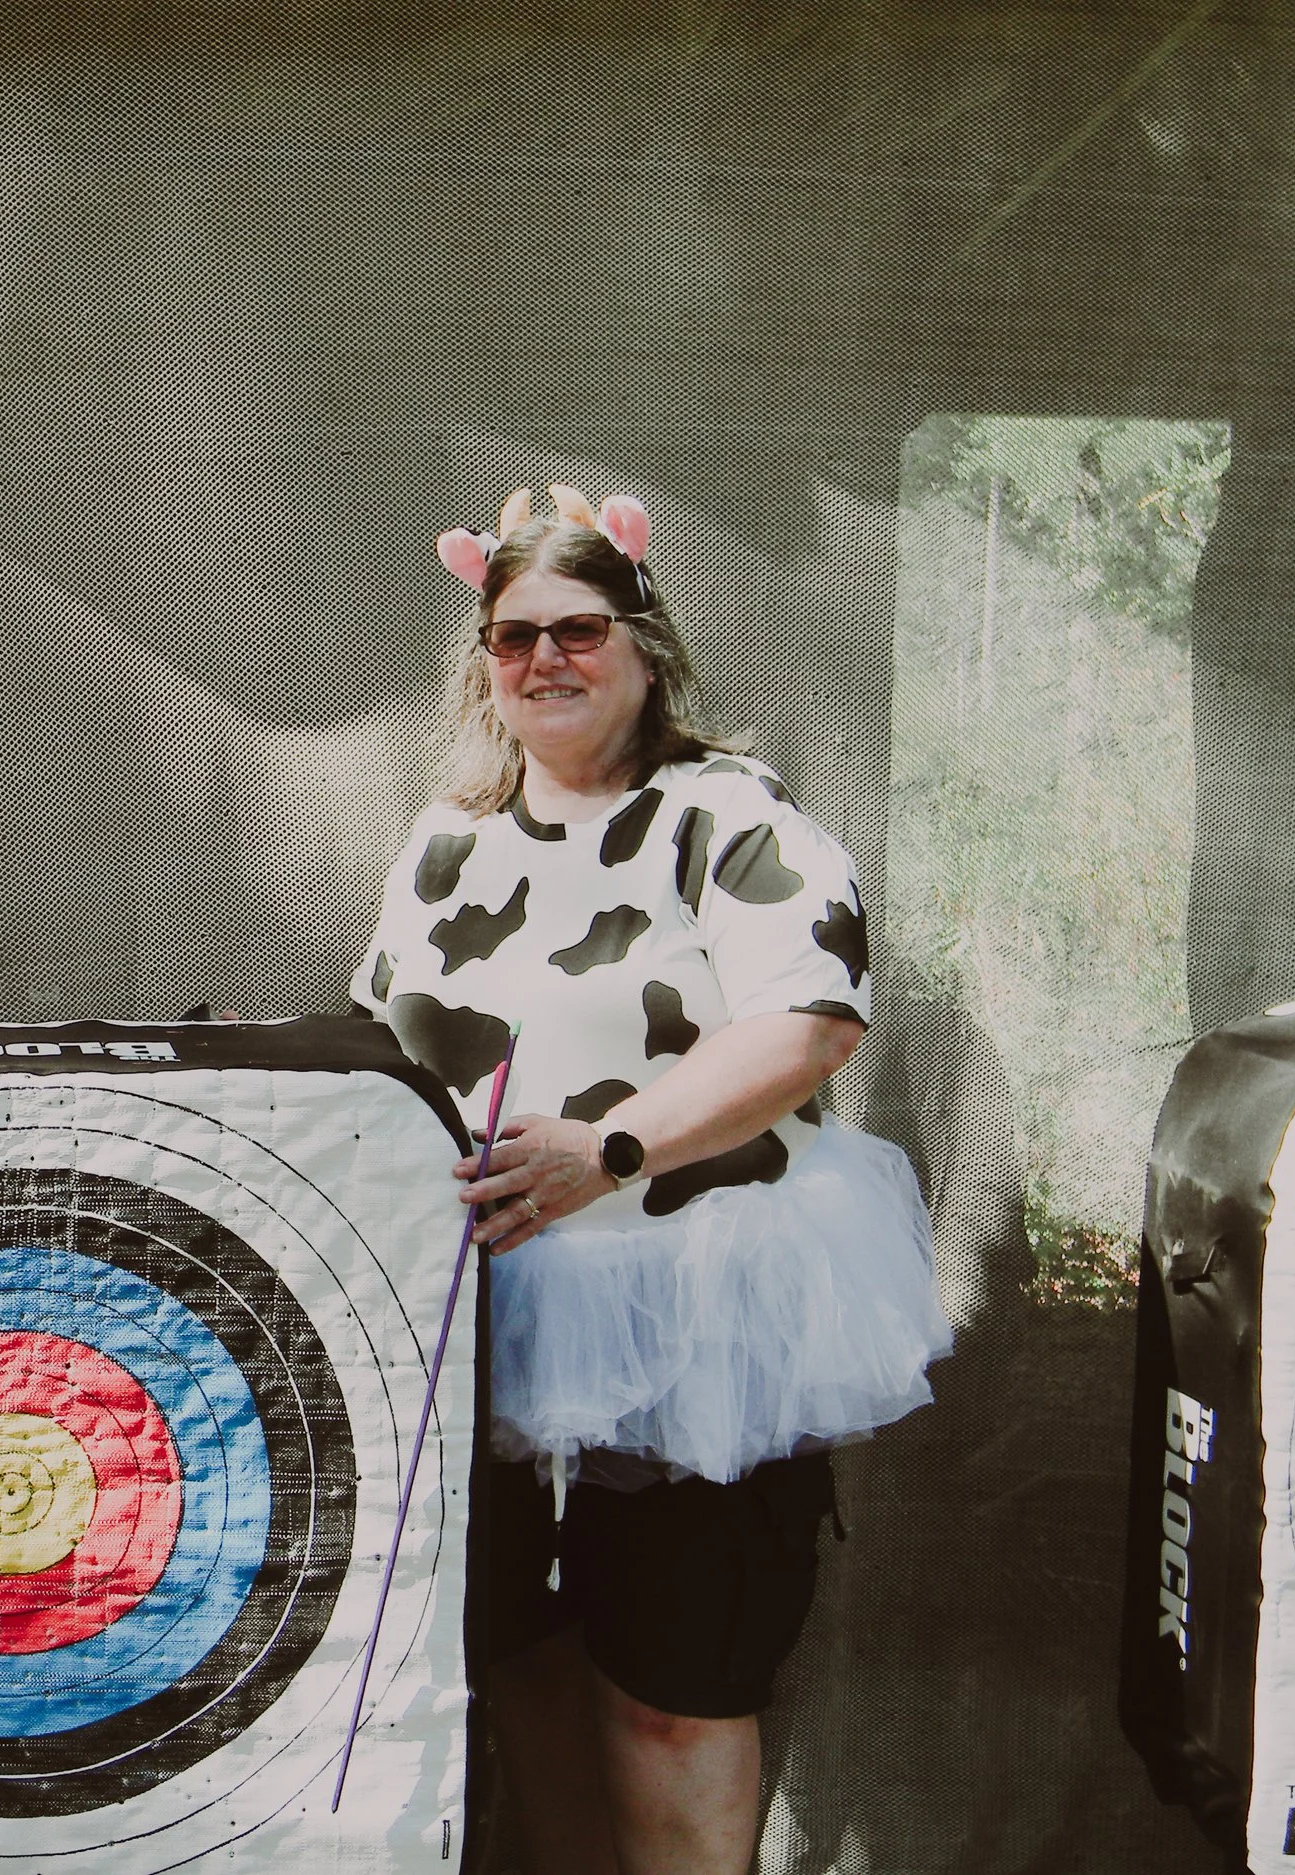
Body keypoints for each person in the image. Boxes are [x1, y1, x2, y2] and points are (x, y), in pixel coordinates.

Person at [356, 485, 949, 1875]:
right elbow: (382, 1049)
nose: (545, 660)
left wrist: (608, 1149)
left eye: (578, 629)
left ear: (643, 645)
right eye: (514, 636)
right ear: (483, 664)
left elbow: (812, 1022)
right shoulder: (447, 842)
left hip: (692, 1313)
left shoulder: (725, 811)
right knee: (521, 1660)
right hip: (485, 1314)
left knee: (677, 1689)